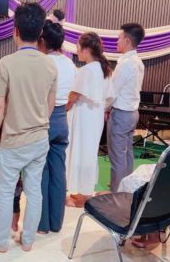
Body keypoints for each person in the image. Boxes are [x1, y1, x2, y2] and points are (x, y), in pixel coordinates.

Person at [0, 2, 58, 253]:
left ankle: (0, 241)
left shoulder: (6, 63)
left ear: (15, 31)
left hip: (14, 141)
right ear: (41, 34)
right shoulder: (50, 65)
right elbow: (50, 105)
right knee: (34, 190)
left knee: (5, 192)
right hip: (39, 139)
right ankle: (27, 241)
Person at [65, 32, 115, 208]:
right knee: (88, 152)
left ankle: (82, 198)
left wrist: (60, 110)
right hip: (96, 115)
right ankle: (82, 191)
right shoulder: (104, 69)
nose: (77, 50)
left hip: (84, 115)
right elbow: (109, 98)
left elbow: (72, 97)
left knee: (80, 151)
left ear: (86, 49)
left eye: (78, 47)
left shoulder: (86, 70)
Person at [37, 20, 78, 234]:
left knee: (41, 172)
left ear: (42, 40)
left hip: (45, 118)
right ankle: (56, 222)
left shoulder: (43, 63)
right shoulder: (70, 64)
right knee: (58, 171)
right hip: (62, 118)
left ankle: (42, 224)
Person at [106, 23, 146, 193]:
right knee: (127, 153)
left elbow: (112, 92)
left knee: (117, 156)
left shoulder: (125, 64)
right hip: (132, 113)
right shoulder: (138, 62)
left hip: (121, 114)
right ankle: (125, 186)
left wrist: (105, 109)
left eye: (119, 38)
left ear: (127, 40)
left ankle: (115, 192)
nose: (117, 41)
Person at [0, 123, 23, 233]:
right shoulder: (18, 144)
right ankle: (14, 224)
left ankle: (5, 224)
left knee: (3, 203)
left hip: (2, 181)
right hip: (14, 181)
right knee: (15, 203)